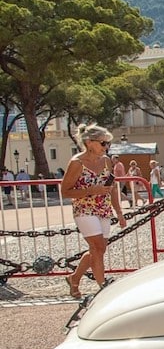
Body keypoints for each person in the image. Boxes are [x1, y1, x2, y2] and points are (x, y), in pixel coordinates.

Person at [60, 124, 126, 297]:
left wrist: (119, 212)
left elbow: (112, 188)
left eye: (108, 144)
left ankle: (74, 278)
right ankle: (102, 286)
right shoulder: (77, 163)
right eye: (103, 143)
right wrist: (92, 190)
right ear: (89, 142)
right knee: (97, 247)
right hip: (84, 209)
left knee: (99, 249)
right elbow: (65, 191)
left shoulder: (106, 161)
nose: (106, 147)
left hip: (103, 209)